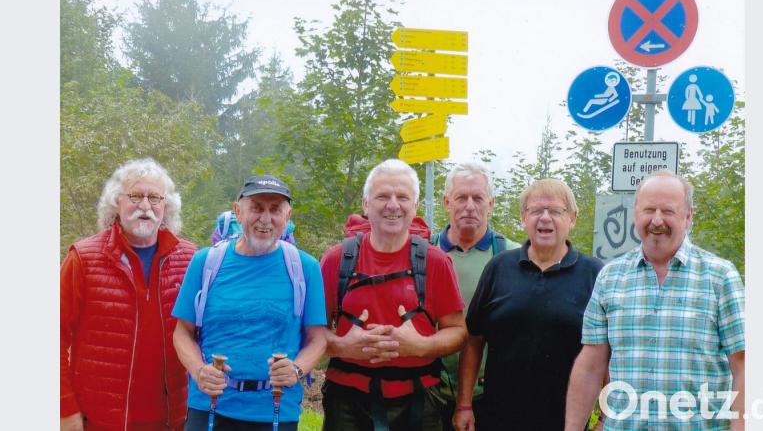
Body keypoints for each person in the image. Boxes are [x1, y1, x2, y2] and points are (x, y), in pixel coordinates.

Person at [564, 171, 745, 431]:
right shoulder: (610, 277)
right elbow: (591, 364)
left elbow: (743, 365)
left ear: (688, 216)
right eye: (649, 210)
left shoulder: (719, 276)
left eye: (668, 211)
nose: (657, 220)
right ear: (636, 214)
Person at [320, 158, 468, 431]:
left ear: (415, 206)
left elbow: (457, 331)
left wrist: (420, 346)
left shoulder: (435, 262)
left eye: (402, 196)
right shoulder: (337, 260)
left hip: (419, 401)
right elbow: (311, 332)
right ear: (366, 205)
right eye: (382, 196)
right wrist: (343, 346)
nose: (393, 204)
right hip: (347, 402)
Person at [172, 174, 328, 430]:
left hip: (276, 411)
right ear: (238, 212)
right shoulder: (205, 263)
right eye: (256, 208)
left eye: (275, 209)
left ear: (287, 217)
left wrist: (297, 370)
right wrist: (199, 371)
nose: (265, 219)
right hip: (210, 406)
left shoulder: (305, 268)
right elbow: (182, 332)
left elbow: (318, 338)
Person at [456, 178, 603, 431]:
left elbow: (607, 351)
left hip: (568, 422)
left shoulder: (595, 274)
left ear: (573, 218)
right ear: (524, 217)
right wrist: (464, 405)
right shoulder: (499, 268)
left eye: (556, 211)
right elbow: (473, 339)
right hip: (498, 418)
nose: (545, 218)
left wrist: (605, 417)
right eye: (536, 211)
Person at [60, 158, 197, 430]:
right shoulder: (83, 259)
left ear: (166, 206)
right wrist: (65, 410)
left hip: (173, 421)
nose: (145, 206)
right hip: (99, 421)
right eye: (135, 196)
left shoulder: (191, 259)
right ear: (116, 203)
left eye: (155, 197)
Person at [430, 162, 519, 429]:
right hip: (431, 393)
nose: (470, 205)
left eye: (478, 198)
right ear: (447, 202)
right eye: (461, 197)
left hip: (491, 395)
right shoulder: (424, 254)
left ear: (490, 204)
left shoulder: (512, 257)